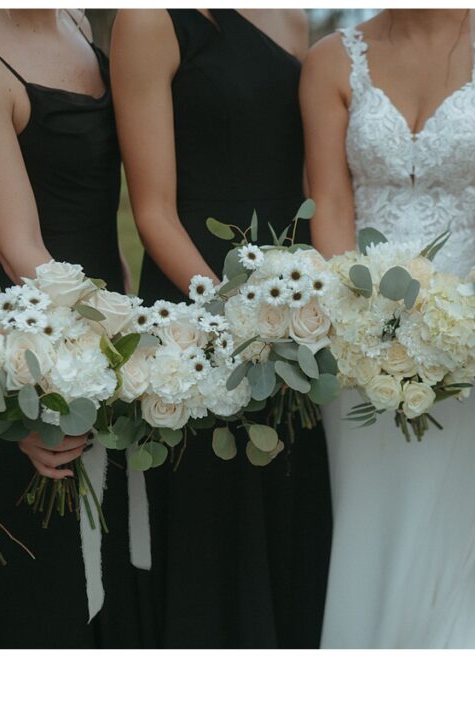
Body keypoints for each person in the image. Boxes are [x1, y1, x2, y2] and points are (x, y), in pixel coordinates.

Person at [302, 8, 475, 647]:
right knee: (373, 521)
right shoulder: (330, 60)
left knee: (454, 544)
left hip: (471, 339)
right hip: (361, 344)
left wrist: (472, 329)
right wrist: (364, 327)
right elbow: (332, 202)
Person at [111, 8, 331, 647]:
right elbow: (152, 211)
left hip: (293, 313)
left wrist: (303, 305)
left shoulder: (292, 19)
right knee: (214, 520)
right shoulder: (151, 20)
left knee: (287, 513)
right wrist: (230, 317)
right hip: (199, 313)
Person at [0, 8, 145, 647]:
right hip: (32, 335)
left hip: (98, 311)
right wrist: (110, 353)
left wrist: (128, 306)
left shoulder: (76, 20)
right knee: (46, 593)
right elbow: (20, 248)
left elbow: (104, 213)